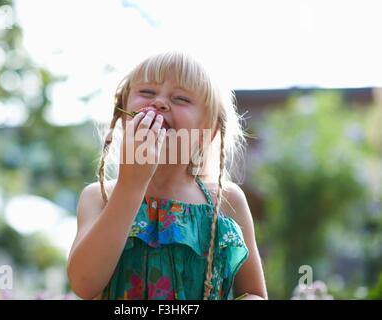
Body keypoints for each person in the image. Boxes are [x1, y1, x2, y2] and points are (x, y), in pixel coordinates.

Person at [67, 52, 267, 300]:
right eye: (147, 93)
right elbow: (84, 284)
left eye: (181, 98)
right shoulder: (99, 197)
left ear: (208, 132)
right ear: (123, 117)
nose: (159, 103)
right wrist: (131, 185)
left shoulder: (226, 200)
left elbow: (253, 293)